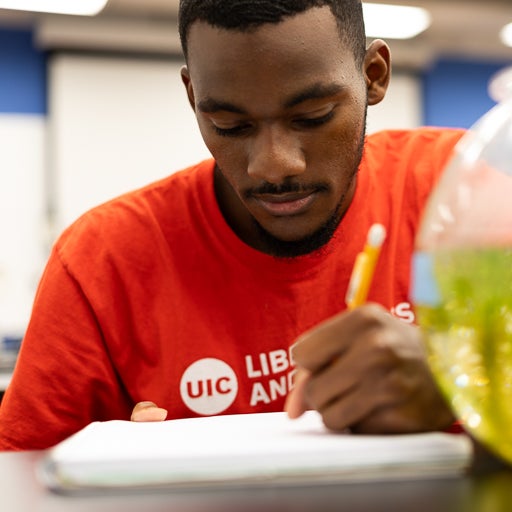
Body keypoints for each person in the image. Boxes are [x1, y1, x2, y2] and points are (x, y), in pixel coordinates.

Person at [0, 0, 463, 451]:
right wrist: (115, 478)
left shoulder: (470, 190)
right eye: (230, 124)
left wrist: (461, 391)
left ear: (374, 75)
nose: (274, 166)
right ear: (192, 97)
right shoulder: (102, 261)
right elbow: (18, 480)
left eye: (312, 117)